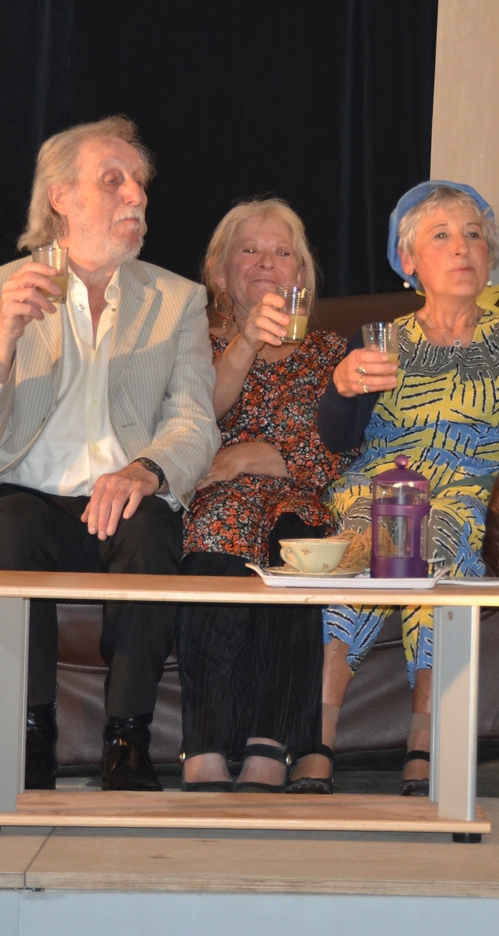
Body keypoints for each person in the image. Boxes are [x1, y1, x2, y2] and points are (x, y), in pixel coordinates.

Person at [288, 180, 499, 794]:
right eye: (441, 236)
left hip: (468, 492)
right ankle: (320, 736)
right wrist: (341, 385)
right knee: (370, 541)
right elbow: (338, 438)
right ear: (409, 260)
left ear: (489, 255)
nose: (461, 247)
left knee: (433, 532)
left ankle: (422, 742)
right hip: (380, 487)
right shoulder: (380, 337)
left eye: (473, 235)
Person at [0, 115, 217, 793]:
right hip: (30, 494)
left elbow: (194, 420)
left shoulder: (177, 299)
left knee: (152, 528)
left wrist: (146, 469)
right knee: (8, 526)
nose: (136, 195)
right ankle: (29, 730)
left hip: (125, 493)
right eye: (113, 180)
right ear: (60, 196)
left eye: (140, 183)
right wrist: (2, 340)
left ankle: (127, 737)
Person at [174, 199, 351, 793]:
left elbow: (338, 448)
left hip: (299, 498)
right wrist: (245, 342)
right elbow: (195, 419)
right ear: (220, 272)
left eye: (282, 252)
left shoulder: (330, 352)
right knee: (216, 548)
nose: (267, 263)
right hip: (216, 501)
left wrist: (253, 456)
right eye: (249, 250)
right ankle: (203, 743)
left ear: (301, 274)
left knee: (296, 547)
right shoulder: (193, 344)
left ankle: (270, 746)